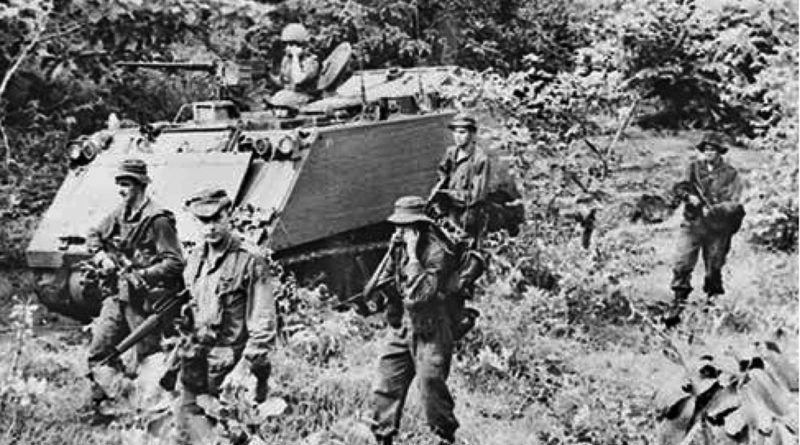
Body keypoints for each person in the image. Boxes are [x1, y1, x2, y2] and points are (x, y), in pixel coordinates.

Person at [174, 188, 277, 444]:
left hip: (229, 365)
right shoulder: (195, 258)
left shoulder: (249, 259)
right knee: (185, 429)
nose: (210, 227)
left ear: (228, 215)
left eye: (215, 219)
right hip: (195, 362)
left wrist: (244, 369)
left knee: (231, 434)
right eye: (203, 221)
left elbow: (263, 321)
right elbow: (191, 306)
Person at [85, 158, 184, 411]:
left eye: (126, 184)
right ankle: (106, 404)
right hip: (119, 294)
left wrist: (143, 274)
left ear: (140, 185)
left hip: (145, 301)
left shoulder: (157, 220)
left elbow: (175, 262)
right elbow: (93, 235)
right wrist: (102, 257)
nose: (121, 189)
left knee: (148, 358)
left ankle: (151, 412)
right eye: (119, 184)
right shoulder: (120, 213)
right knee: (100, 350)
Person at [369, 196, 463, 445]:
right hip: (402, 326)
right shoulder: (397, 247)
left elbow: (420, 295)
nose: (401, 231)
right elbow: (386, 278)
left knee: (431, 387)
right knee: (384, 386)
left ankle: (444, 437)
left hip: (431, 328)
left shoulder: (436, 251)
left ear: (419, 226)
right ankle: (383, 437)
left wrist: (412, 255)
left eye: (406, 226)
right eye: (398, 225)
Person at [665, 132, 745, 326]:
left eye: (713, 149)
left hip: (718, 228)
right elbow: (679, 187)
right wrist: (689, 197)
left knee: (714, 267)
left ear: (720, 152)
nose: (709, 153)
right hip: (693, 223)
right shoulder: (693, 169)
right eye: (706, 149)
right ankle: (678, 301)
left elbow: (735, 202)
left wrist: (716, 210)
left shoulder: (730, 173)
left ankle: (712, 303)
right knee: (682, 262)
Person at [434, 112, 491, 241]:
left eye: (462, 132)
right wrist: (438, 193)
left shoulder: (480, 159)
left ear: (472, 134)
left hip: (468, 211)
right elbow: (442, 175)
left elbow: (477, 195)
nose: (457, 137)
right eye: (455, 132)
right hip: (449, 206)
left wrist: (451, 194)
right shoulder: (451, 153)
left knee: (462, 244)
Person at [269, 23, 320, 108]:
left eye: (292, 44)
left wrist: (295, 57)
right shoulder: (287, 59)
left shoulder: (311, 61)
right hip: (289, 95)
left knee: (283, 99)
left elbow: (298, 80)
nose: (288, 48)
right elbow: (284, 82)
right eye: (286, 44)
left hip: (306, 97)